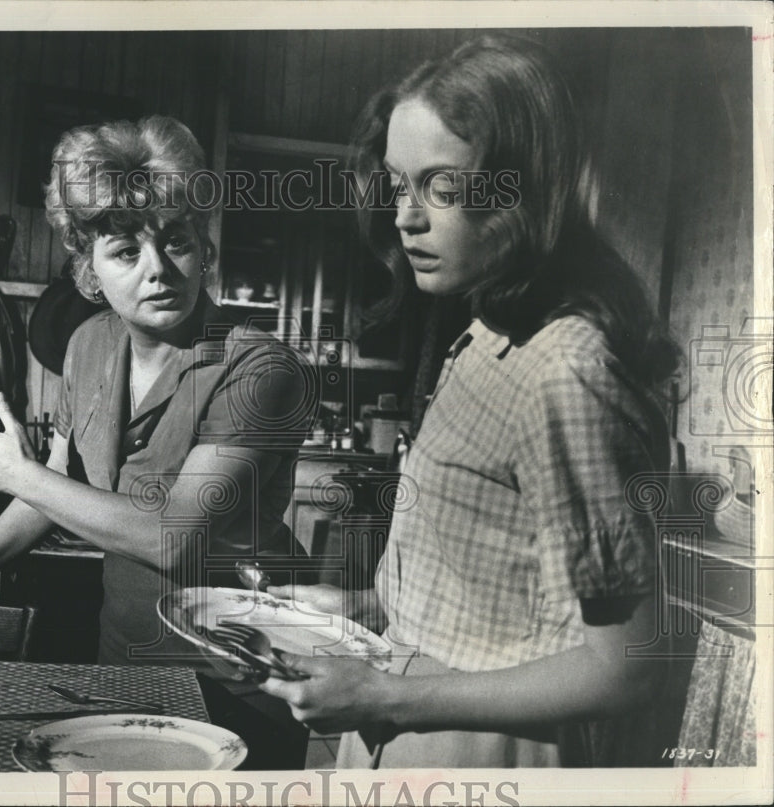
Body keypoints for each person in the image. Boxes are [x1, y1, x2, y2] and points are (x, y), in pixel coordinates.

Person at [260, 35, 681, 768]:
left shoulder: (566, 368)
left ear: (524, 189)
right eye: (397, 183)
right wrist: (361, 613)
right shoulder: (487, 334)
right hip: (409, 738)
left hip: (483, 761)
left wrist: (385, 693)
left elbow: (627, 666)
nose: (405, 216)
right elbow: (491, 597)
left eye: (442, 186)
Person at [0, 115, 315, 768]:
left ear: (205, 246)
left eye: (176, 240)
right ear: (90, 270)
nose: (159, 269)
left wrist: (22, 474)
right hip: (124, 665)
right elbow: (53, 489)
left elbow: (172, 536)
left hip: (240, 681)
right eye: (125, 252)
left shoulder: (258, 368)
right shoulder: (89, 344)